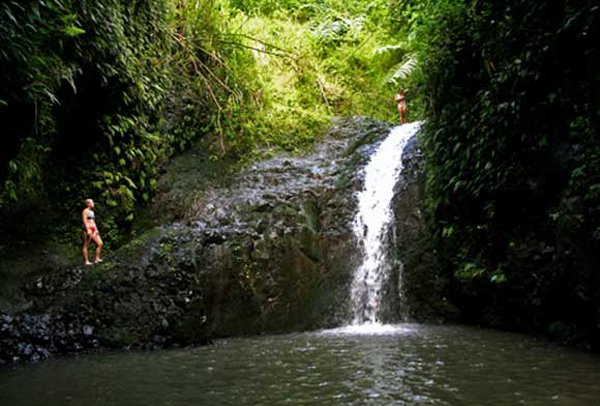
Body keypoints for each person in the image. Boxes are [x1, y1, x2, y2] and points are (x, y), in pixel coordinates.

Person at [82, 198, 103, 265]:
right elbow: (85, 220)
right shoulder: (85, 211)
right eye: (92, 203)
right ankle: (86, 261)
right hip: (88, 229)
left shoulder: (92, 212)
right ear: (88, 204)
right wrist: (88, 229)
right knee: (86, 245)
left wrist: (96, 229)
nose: (93, 204)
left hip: (93, 228)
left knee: (100, 243)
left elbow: (93, 221)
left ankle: (97, 258)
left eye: (93, 202)